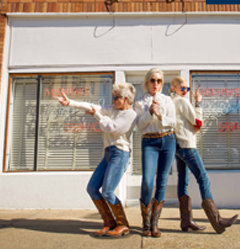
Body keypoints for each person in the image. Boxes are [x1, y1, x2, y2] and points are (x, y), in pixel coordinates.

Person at [54, 82, 137, 238]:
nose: (113, 99)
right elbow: (91, 107)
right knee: (92, 188)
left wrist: (99, 116)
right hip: (108, 153)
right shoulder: (112, 109)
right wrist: (71, 102)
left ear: (126, 99)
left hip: (120, 153)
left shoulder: (130, 115)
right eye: (113, 96)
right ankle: (109, 222)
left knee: (107, 191)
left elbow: (112, 128)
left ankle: (122, 224)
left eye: (116, 97)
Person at [170, 76, 238, 234]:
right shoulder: (181, 101)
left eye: (187, 89)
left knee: (183, 182)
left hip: (178, 147)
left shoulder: (171, 102)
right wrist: (198, 103)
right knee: (203, 178)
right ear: (174, 88)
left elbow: (193, 125)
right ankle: (217, 220)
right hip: (187, 146)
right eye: (182, 88)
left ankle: (186, 221)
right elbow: (198, 123)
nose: (185, 91)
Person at [134, 68, 177, 238]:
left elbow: (173, 122)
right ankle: (145, 223)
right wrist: (150, 112)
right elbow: (140, 126)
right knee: (147, 180)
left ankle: (154, 224)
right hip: (149, 142)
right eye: (153, 80)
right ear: (147, 82)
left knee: (162, 181)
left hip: (168, 140)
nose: (156, 84)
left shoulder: (167, 100)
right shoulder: (139, 102)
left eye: (159, 81)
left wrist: (160, 115)